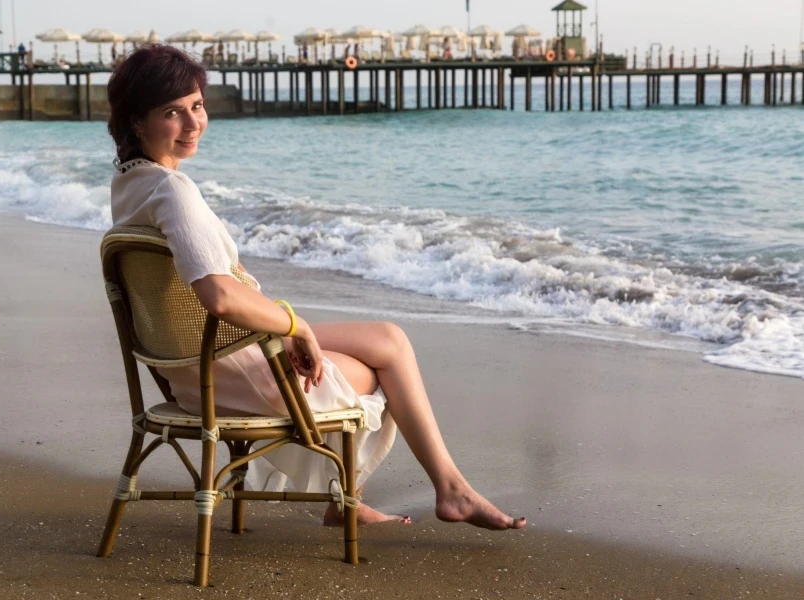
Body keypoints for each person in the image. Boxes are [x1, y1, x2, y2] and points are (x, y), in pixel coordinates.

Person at [105, 45, 526, 531]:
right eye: (172, 113)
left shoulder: (131, 184)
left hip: (194, 369)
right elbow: (217, 296)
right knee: (380, 372)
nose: (193, 123)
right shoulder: (172, 191)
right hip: (230, 370)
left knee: (389, 338)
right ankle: (430, 493)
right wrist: (294, 323)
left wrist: (289, 326)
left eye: (197, 105)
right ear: (137, 122)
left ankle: (413, 492)